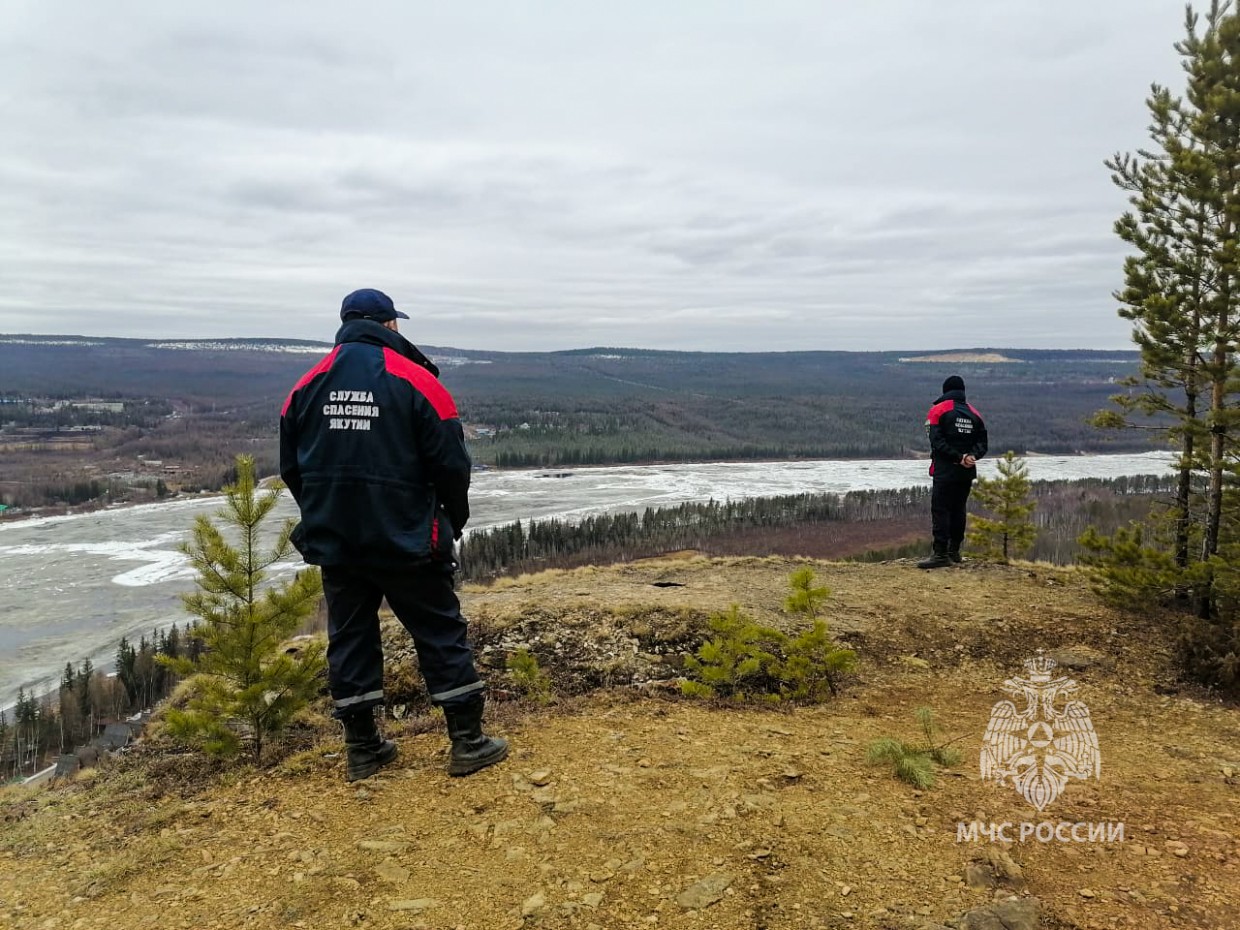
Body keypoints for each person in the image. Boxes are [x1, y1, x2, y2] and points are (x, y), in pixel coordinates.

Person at [279, 288, 508, 781]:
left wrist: (326, 512)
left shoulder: (305, 386)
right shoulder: (419, 382)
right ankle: (467, 742)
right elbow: (452, 466)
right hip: (406, 536)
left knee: (349, 638)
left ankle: (363, 750)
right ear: (389, 326)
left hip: (337, 539)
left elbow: (292, 470)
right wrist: (452, 520)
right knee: (440, 632)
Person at [918, 375, 988, 570]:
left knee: (941, 509)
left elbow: (936, 441)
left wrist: (957, 457)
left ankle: (940, 553)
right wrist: (971, 456)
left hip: (945, 469)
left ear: (945, 390)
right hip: (966, 471)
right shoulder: (975, 413)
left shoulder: (938, 410)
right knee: (958, 509)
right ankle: (954, 551)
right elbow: (983, 443)